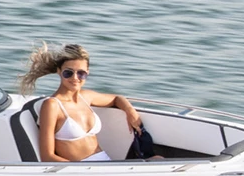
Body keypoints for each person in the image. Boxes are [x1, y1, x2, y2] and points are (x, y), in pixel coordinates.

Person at [19, 42, 150, 162]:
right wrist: (81, 171)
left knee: (157, 159)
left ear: (87, 72)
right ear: (59, 71)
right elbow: (47, 157)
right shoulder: (52, 105)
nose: (75, 78)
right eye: (68, 73)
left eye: (81, 73)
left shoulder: (86, 97)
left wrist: (130, 111)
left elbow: (117, 98)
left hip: (107, 164)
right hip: (83, 171)